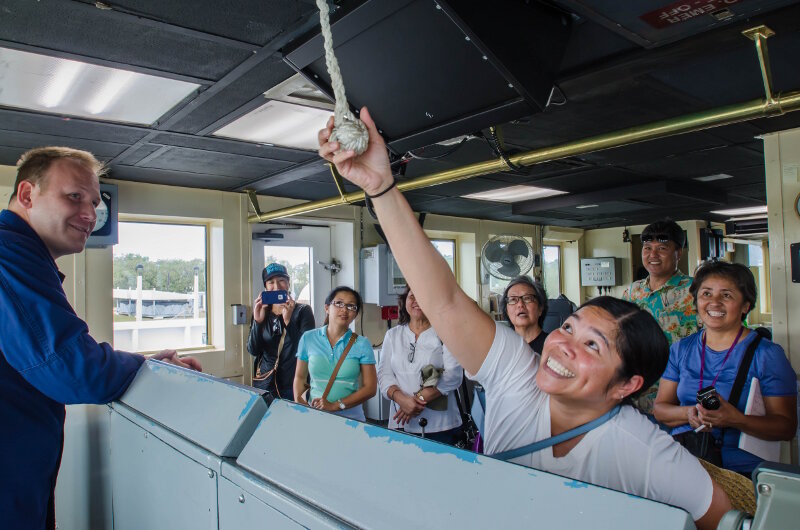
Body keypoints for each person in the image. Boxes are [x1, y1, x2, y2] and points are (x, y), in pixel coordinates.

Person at [318, 109, 731, 529]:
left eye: (592, 345)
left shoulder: (641, 450)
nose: (563, 344)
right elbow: (443, 302)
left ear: (628, 385)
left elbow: (724, 518)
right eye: (569, 327)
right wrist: (381, 187)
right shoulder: (518, 374)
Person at [0, 146, 201, 529]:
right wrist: (144, 367)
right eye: (74, 197)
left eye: (95, 202)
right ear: (27, 195)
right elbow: (73, 370)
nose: (91, 214)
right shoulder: (9, 255)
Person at [654, 260, 797, 475]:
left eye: (726, 295)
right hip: (686, 463)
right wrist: (689, 413)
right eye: (706, 294)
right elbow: (660, 409)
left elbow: (786, 427)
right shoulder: (681, 349)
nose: (714, 303)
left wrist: (735, 420)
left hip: (740, 474)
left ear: (745, 306)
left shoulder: (767, 354)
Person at [622, 219, 698, 414]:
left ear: (678, 252)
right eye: (647, 248)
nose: (652, 255)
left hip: (679, 399)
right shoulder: (632, 291)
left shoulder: (696, 291)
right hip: (636, 396)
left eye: (662, 248)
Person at [378, 287, 463, 443]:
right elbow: (384, 375)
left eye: (423, 296)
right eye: (412, 296)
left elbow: (453, 375)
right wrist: (401, 400)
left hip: (440, 425)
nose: (417, 301)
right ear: (404, 301)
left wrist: (416, 401)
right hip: (400, 422)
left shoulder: (446, 332)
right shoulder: (393, 335)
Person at [293, 286, 377, 421]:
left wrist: (336, 405)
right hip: (315, 415)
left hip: (351, 418)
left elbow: (370, 388)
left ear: (355, 314)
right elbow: (300, 377)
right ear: (327, 308)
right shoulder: (308, 338)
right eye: (339, 303)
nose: (344, 309)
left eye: (351, 306)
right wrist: (299, 403)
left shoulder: (362, 344)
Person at [248, 262, 315, 399]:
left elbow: (306, 349)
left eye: (281, 281)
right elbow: (253, 350)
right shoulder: (262, 312)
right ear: (265, 287)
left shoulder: (303, 311)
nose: (277, 286)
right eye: (271, 282)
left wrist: (288, 321)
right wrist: (257, 322)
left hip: (294, 384)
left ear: (288, 284)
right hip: (266, 383)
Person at [501, 276, 549, 354]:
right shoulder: (502, 347)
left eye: (527, 298)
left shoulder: (553, 345)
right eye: (513, 299)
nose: (520, 304)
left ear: (540, 308)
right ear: (506, 311)